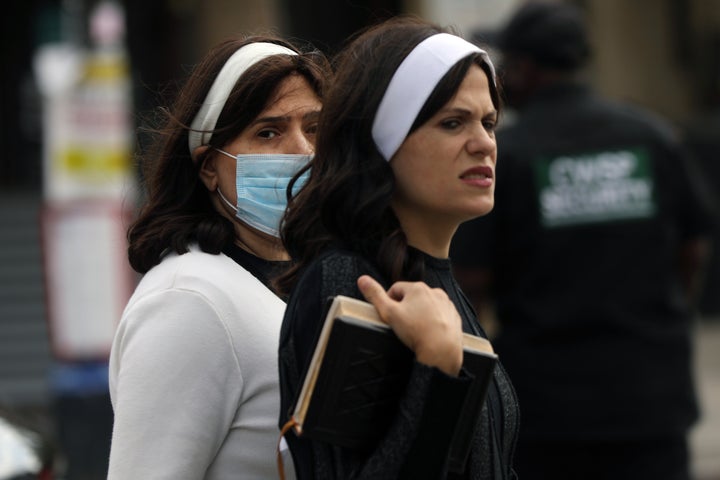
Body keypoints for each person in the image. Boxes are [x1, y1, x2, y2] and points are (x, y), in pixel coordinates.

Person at [451, 2, 716, 479]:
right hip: (651, 398)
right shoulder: (652, 137)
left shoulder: (507, 157)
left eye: (507, 64)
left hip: (551, 410)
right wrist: (665, 309)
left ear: (527, 68)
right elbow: (694, 245)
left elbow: (472, 279)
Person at [276, 16, 519, 479]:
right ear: (383, 141)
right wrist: (439, 367)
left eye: (489, 122)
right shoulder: (352, 283)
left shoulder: (436, 277)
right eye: (452, 123)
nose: (483, 143)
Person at [107, 36, 331, 479]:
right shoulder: (189, 300)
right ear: (209, 167)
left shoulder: (305, 277)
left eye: (315, 128)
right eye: (269, 132)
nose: (303, 152)